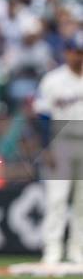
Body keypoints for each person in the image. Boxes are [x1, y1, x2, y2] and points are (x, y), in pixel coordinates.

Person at [34, 32, 83, 264]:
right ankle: (52, 251)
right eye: (75, 51)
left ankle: (77, 251)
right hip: (61, 143)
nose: (79, 56)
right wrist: (47, 148)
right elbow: (42, 117)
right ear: (67, 52)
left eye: (81, 52)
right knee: (57, 199)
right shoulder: (53, 80)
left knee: (82, 203)